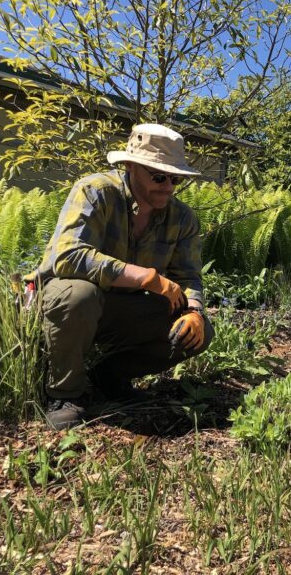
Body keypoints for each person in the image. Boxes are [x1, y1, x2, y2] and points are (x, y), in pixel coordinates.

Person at [26, 124, 213, 430]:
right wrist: (145, 278)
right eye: (158, 176)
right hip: (65, 306)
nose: (167, 186)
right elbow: (68, 256)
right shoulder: (95, 191)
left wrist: (194, 310)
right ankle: (64, 393)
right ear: (130, 166)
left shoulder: (182, 218)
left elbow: (189, 277)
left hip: (119, 311)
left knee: (199, 331)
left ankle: (109, 374)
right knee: (77, 294)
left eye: (175, 178)